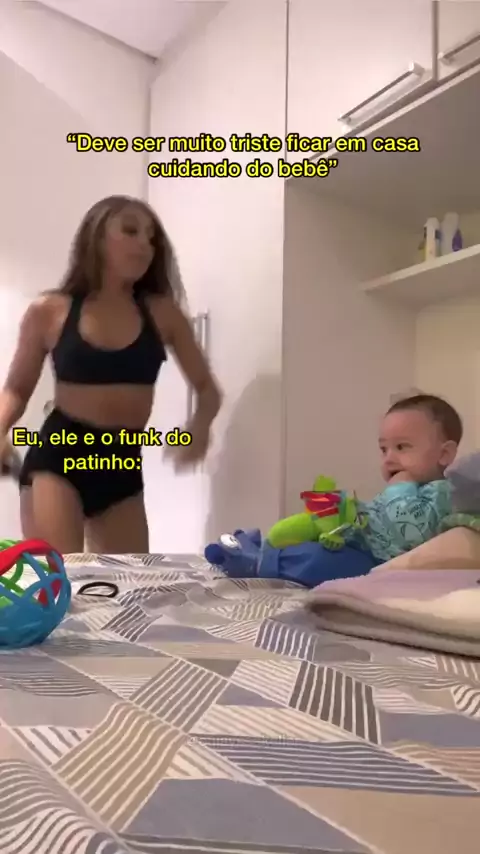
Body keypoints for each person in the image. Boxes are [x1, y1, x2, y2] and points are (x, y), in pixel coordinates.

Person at [0, 195, 222, 554]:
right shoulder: (50, 311)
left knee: (128, 580)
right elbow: (16, 389)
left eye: (151, 237)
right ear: (96, 238)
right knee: (65, 576)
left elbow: (208, 390)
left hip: (121, 464)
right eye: (130, 231)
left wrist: (199, 426)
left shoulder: (163, 314)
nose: (144, 244)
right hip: (59, 458)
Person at [357, 393, 462, 561]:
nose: (388, 459)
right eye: (384, 449)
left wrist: (399, 490)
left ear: (444, 454)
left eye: (401, 447)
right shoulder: (394, 493)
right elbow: (372, 524)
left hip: (392, 564)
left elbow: (413, 536)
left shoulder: (444, 494)